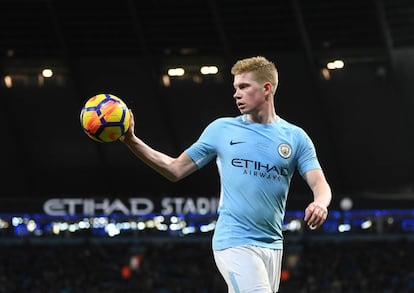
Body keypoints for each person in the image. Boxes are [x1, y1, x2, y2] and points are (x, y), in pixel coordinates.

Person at [120, 56, 332, 292]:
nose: (236, 94)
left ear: (266, 88)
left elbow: (320, 184)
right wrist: (132, 141)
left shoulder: (296, 137)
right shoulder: (221, 129)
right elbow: (175, 169)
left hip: (273, 244)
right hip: (234, 240)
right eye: (235, 88)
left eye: (244, 86)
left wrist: (320, 204)